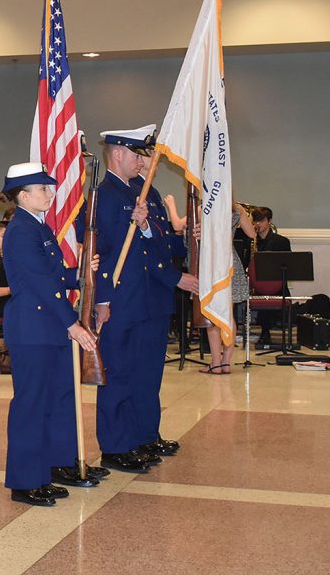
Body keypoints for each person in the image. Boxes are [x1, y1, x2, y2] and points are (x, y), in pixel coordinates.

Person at [0, 163, 98, 506]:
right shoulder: (22, 230)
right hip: (33, 328)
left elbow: (52, 276)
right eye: (43, 189)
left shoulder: (38, 227)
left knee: (57, 400)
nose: (51, 194)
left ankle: (50, 467)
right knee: (31, 404)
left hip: (48, 327)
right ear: (23, 196)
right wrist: (72, 323)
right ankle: (25, 480)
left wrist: (79, 273)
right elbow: (41, 285)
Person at [93, 126, 164, 473]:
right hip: (117, 299)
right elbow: (100, 250)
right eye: (137, 154)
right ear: (118, 153)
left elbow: (150, 249)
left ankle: (134, 437)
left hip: (140, 297)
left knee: (135, 373)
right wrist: (101, 299)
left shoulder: (139, 190)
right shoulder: (103, 195)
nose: (142, 161)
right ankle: (114, 445)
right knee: (116, 373)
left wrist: (145, 224)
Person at [130, 140, 198, 458]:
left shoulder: (152, 194)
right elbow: (140, 253)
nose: (148, 161)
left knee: (152, 373)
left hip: (156, 299)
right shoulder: (131, 194)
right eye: (145, 156)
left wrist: (186, 239)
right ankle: (131, 439)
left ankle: (148, 433)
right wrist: (176, 277)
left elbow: (161, 242)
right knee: (137, 373)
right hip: (140, 297)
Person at [164, 196, 255, 371]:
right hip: (229, 261)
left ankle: (215, 363)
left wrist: (171, 205)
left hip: (210, 262)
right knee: (228, 314)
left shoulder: (205, 207)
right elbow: (251, 233)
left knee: (212, 312)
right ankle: (227, 362)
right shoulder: (237, 208)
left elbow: (177, 226)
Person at [251, 206, 291, 348]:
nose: (257, 224)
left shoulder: (281, 241)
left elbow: (288, 265)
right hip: (258, 284)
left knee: (267, 293)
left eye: (261, 221)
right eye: (255, 221)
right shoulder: (250, 240)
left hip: (277, 285)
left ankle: (266, 331)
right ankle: (264, 332)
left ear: (269, 221)